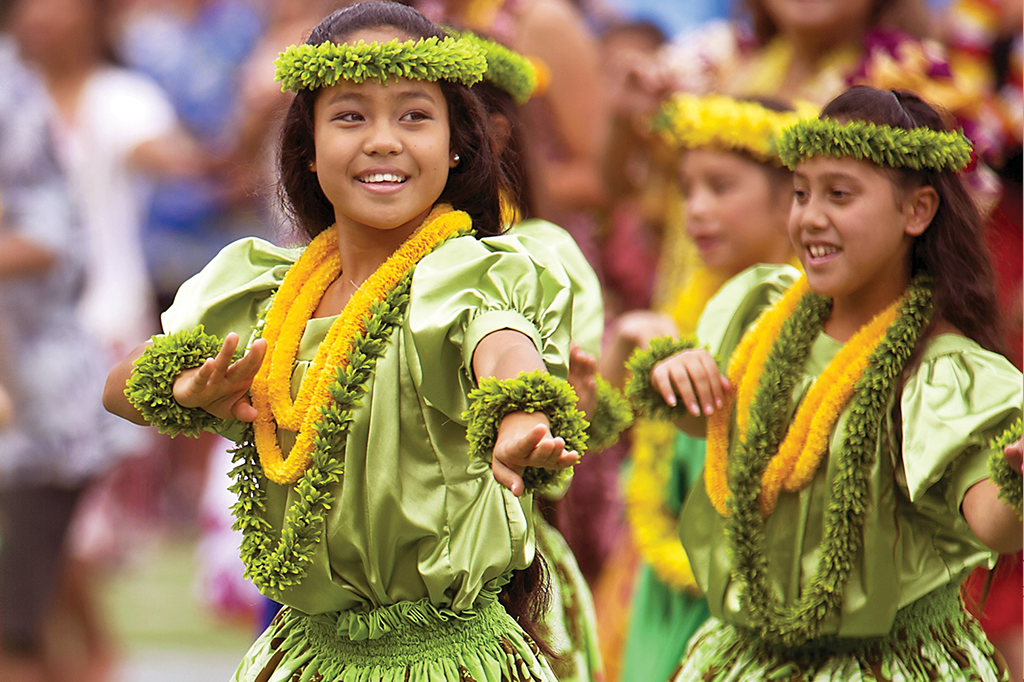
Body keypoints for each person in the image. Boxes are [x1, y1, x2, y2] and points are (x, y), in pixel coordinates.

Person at [103, 4, 587, 680]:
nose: (383, 140)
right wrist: (187, 386)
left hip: (446, 661)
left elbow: (501, 341)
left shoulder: (470, 271)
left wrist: (518, 411)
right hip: (307, 654)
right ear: (306, 146)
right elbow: (120, 385)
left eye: (414, 115)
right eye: (350, 115)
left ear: (457, 145)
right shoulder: (269, 293)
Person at [627, 85, 1023, 681]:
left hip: (885, 665)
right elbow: (705, 419)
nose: (810, 217)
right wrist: (671, 369)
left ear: (917, 211)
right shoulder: (759, 316)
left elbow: (991, 521)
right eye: (801, 192)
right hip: (747, 655)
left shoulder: (943, 370)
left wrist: (1016, 480)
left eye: (840, 195)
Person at [598, 93, 804, 682]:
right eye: (687, 189)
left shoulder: (806, 322)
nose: (696, 210)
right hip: (663, 587)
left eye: (721, 186)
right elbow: (590, 438)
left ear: (793, 196)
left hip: (752, 606)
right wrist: (622, 348)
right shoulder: (690, 313)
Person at [0, 7, 116, 681]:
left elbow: (50, 241)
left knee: (16, 639)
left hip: (41, 416)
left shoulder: (10, 93)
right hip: (27, 417)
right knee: (43, 631)